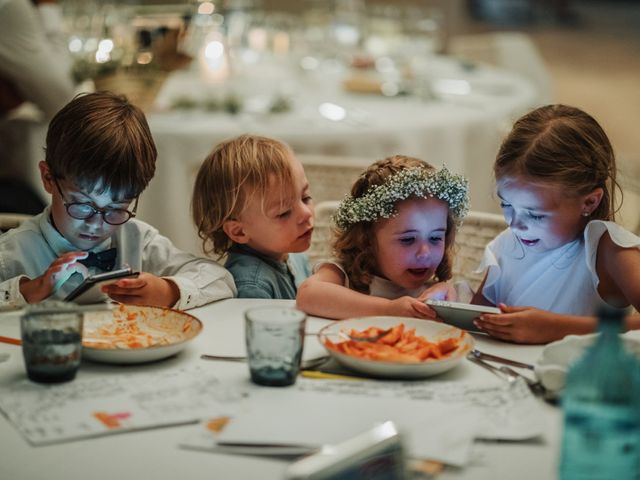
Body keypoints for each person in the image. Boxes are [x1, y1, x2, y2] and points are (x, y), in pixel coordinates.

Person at [0, 91, 236, 309]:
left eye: (115, 209)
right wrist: (27, 290)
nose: (96, 224)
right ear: (48, 178)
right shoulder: (13, 252)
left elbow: (220, 278)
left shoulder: (138, 240)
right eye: (82, 205)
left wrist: (169, 290)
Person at [472, 104, 640, 344]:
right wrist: (443, 304)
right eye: (506, 205)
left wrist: (558, 329)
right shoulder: (507, 246)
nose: (516, 225)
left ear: (589, 202)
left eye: (536, 214)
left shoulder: (608, 250)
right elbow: (476, 327)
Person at [296, 155, 469, 320]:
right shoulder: (342, 275)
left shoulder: (437, 292)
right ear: (367, 237)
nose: (425, 253)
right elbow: (307, 295)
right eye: (408, 239)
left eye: (435, 238)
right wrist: (387, 309)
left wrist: (445, 296)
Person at [191, 134, 314, 299]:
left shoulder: (292, 253)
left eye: (305, 197)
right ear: (239, 232)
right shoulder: (252, 287)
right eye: (283, 213)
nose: (306, 213)